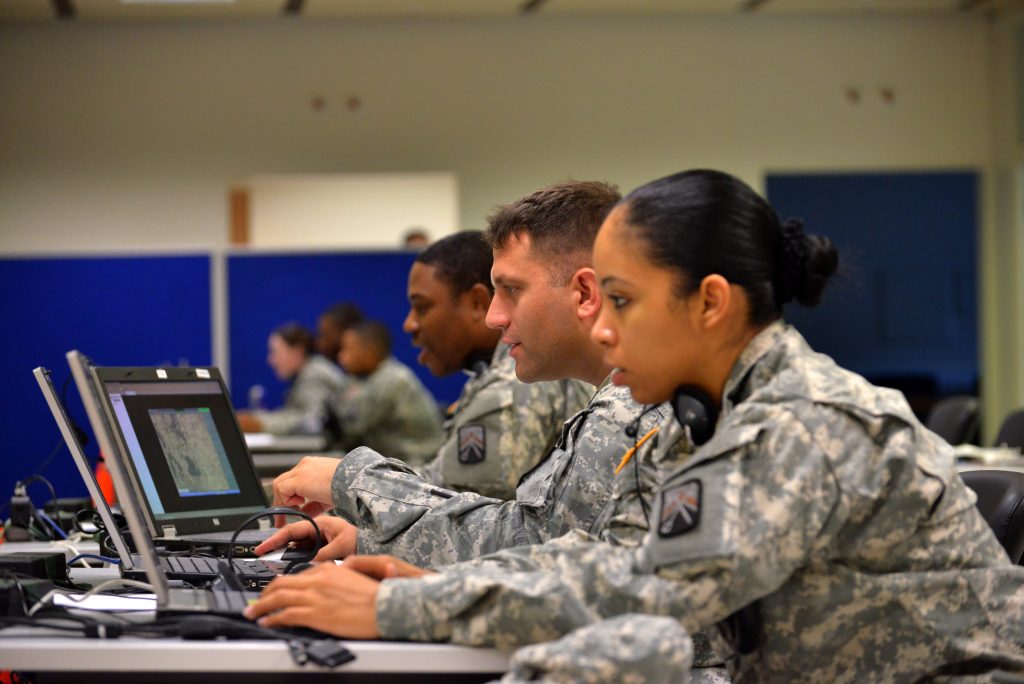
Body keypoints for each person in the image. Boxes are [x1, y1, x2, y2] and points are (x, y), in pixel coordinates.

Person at [247, 169, 1024, 682]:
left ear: (710, 304)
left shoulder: (803, 425)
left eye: (622, 301)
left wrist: (398, 608)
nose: (605, 329)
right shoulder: (723, 411)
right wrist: (448, 581)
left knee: (611, 654)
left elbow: (650, 591)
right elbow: (621, 557)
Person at [252, 180, 676, 573]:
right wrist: (373, 541)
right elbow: (532, 534)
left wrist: (353, 480)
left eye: (511, 289)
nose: (494, 317)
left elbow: (540, 551)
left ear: (583, 293)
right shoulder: (622, 400)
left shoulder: (633, 411)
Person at [405, 231, 593, 499]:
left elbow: (458, 511)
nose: (409, 324)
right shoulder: (501, 371)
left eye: (422, 308)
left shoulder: (513, 384)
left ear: (477, 303)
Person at [331, 320, 445, 466]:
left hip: (421, 462)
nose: (342, 357)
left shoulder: (391, 380)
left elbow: (354, 430)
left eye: (348, 349)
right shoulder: (374, 379)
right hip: (402, 461)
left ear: (370, 352)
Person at [237, 322, 346, 436]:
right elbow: (293, 414)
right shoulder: (307, 372)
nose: (271, 360)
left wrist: (260, 424)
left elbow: (314, 422)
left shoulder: (314, 376)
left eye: (275, 352)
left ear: (297, 352)